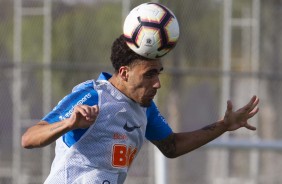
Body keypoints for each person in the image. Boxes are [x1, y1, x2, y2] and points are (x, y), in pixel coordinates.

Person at [21, 34, 259, 184]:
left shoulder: (144, 109)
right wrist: (69, 124)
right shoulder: (93, 95)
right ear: (124, 73)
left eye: (159, 73)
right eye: (149, 74)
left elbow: (172, 146)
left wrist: (224, 126)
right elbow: (29, 138)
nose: (157, 83)